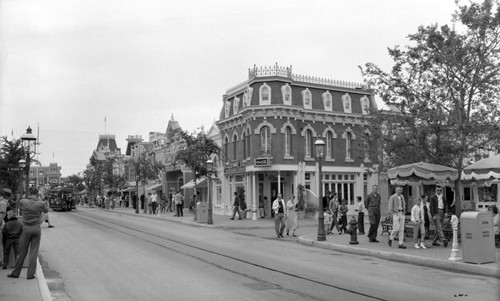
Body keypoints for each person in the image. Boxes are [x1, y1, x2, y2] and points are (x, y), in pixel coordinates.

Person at [8, 188, 49, 279]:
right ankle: (30, 274)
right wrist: (42, 200)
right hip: (36, 228)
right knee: (34, 252)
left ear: (29, 193)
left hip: (26, 228)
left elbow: (18, 205)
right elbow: (46, 210)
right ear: (37, 194)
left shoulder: (23, 202)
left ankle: (16, 273)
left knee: (22, 251)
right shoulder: (40, 203)